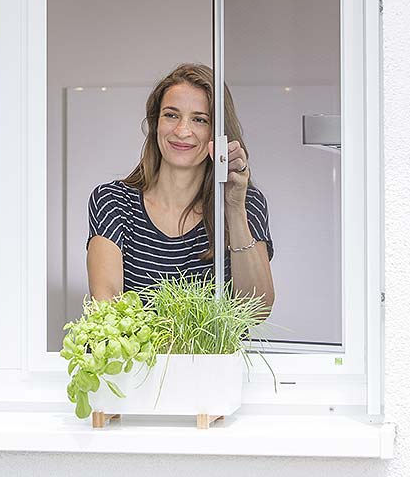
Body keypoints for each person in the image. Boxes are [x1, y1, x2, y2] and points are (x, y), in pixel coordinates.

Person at [86, 63, 274, 314]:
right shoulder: (113, 201)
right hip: (138, 355)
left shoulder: (246, 203)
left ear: (217, 134)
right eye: (171, 115)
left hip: (213, 356)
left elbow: (257, 310)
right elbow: (106, 303)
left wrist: (234, 207)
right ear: (155, 123)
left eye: (199, 119)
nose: (182, 131)